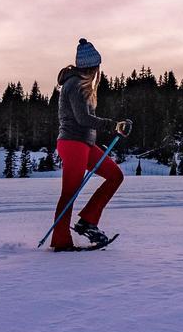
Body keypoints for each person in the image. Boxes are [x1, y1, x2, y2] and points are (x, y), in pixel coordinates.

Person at [50, 38, 131, 251]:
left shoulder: (80, 84)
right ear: (92, 67)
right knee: (69, 193)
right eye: (97, 67)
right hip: (72, 143)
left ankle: (88, 221)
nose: (98, 72)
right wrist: (112, 125)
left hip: (84, 144)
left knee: (115, 176)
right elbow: (82, 119)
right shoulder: (75, 84)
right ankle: (60, 241)